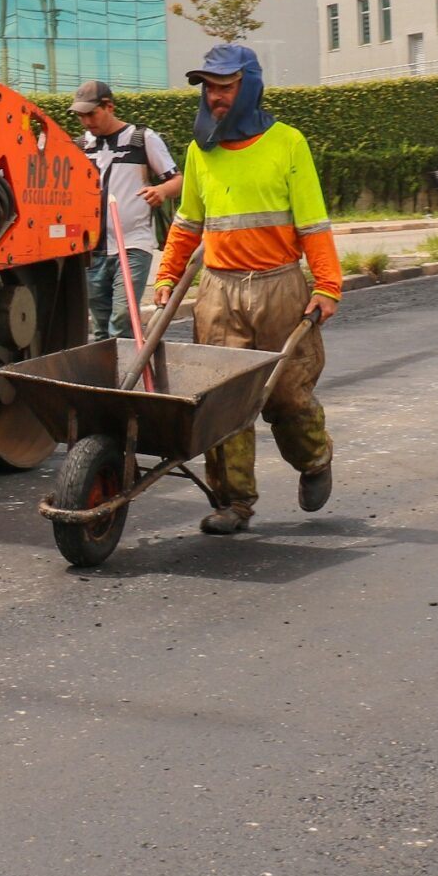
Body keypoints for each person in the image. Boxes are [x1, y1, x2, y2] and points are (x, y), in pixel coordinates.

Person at [148, 42, 340, 535]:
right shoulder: (198, 151)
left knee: (287, 398)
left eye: (226, 87)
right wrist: (167, 275)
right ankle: (234, 502)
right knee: (222, 398)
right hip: (219, 292)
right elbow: (187, 221)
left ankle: (315, 458)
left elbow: (313, 224)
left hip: (280, 287)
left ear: (249, 87)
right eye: (210, 87)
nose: (215, 97)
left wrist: (328, 286)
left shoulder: (288, 144)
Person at [70, 79, 181, 341]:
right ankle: (105, 378)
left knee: (122, 318)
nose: (86, 122)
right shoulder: (78, 146)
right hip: (92, 250)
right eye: (80, 116)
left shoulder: (142, 139)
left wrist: (162, 191)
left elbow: (177, 180)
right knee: (99, 327)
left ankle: (128, 378)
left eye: (91, 114)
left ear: (109, 106)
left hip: (132, 244)